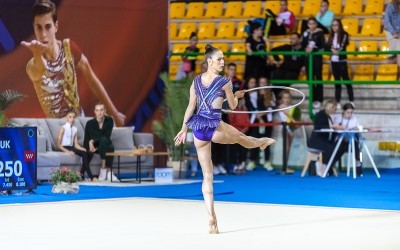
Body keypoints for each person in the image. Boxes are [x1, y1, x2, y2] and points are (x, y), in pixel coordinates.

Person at [174, 44, 276, 234]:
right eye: (219, 59)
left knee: (207, 177)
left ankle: (211, 216)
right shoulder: (225, 82)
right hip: (214, 125)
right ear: (209, 61)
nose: (223, 62)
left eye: (223, 59)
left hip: (198, 130)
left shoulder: (196, 81)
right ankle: (261, 142)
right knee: (242, 139)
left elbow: (190, 107)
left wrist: (183, 128)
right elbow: (234, 106)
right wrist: (237, 95)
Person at [21, 0, 125, 126]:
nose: (43, 35)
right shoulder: (32, 66)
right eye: (39, 28)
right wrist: (37, 55)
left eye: (48, 27)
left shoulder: (69, 48)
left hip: (80, 123)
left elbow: (92, 80)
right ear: (34, 29)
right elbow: (40, 68)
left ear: (56, 26)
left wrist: (114, 113)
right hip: (56, 130)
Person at [308, 99, 346, 177]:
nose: (335, 111)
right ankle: (320, 163)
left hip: (324, 140)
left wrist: (336, 128)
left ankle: (327, 163)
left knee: (342, 146)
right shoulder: (320, 115)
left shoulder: (328, 116)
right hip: (316, 141)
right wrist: (334, 126)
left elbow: (329, 129)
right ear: (330, 107)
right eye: (335, 109)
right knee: (332, 148)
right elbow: (319, 127)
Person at [56, 110, 96, 181]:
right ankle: (91, 177)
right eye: (70, 117)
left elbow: (76, 144)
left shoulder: (75, 129)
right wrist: (67, 151)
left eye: (73, 117)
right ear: (66, 118)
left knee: (90, 152)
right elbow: (58, 144)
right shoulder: (63, 128)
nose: (72, 119)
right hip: (64, 147)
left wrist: (82, 148)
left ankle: (81, 174)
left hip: (72, 147)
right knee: (84, 153)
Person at [84, 102, 118, 182]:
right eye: (97, 110)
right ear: (94, 112)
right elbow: (86, 139)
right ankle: (109, 172)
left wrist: (92, 140)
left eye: (101, 110)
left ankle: (104, 169)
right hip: (95, 148)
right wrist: (88, 148)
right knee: (111, 147)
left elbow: (106, 136)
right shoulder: (89, 123)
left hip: (104, 144)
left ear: (105, 111)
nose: (99, 113)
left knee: (105, 142)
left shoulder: (109, 120)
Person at [326, 19, 354, 108]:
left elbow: (342, 46)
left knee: (346, 80)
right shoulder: (331, 35)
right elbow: (327, 46)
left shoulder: (344, 34)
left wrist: (336, 51)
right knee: (337, 82)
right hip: (333, 61)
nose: (335, 27)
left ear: (340, 26)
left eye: (336, 25)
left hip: (341, 61)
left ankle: (351, 100)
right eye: (333, 25)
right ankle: (337, 101)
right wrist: (332, 50)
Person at [270, 32, 305, 98]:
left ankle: (279, 95)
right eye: (291, 38)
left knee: (289, 76)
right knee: (277, 73)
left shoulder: (304, 50)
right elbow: (273, 50)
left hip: (294, 71)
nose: (291, 40)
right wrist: (278, 60)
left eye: (294, 38)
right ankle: (275, 95)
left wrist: (304, 66)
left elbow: (307, 59)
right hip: (283, 68)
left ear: (300, 39)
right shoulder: (287, 47)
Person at [332, 102, 363, 176]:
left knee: (357, 147)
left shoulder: (354, 119)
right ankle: (331, 164)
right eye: (348, 112)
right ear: (343, 111)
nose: (350, 114)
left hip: (351, 140)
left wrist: (355, 129)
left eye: (351, 112)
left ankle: (358, 166)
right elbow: (334, 128)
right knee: (339, 148)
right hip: (341, 140)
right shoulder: (337, 118)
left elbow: (358, 129)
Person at [302, 17, 326, 110]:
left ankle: (319, 99)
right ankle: (313, 98)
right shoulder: (305, 33)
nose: (311, 26)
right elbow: (303, 45)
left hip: (316, 59)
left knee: (318, 78)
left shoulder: (320, 33)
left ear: (316, 24)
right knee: (310, 79)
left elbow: (323, 46)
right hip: (308, 59)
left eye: (313, 24)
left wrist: (314, 49)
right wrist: (305, 49)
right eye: (310, 24)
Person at [277, 90, 299, 174]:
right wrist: (294, 121)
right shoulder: (281, 106)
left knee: (288, 148)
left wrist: (295, 125)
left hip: (291, 128)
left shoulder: (292, 107)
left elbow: (295, 117)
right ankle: (284, 167)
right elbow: (288, 115)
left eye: (288, 97)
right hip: (285, 128)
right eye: (284, 97)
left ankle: (286, 166)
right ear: (282, 99)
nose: (286, 99)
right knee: (285, 148)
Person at [258, 77, 275, 171]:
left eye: (264, 82)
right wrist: (259, 117)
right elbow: (253, 107)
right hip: (256, 120)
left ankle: (267, 161)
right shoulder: (255, 93)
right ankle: (252, 161)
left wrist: (262, 115)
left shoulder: (271, 94)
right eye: (261, 82)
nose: (263, 84)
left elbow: (272, 107)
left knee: (267, 141)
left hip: (267, 121)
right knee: (254, 140)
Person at [383, 0, 400, 78]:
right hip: (391, 32)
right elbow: (387, 21)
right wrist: (394, 32)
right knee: (395, 55)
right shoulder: (390, 6)